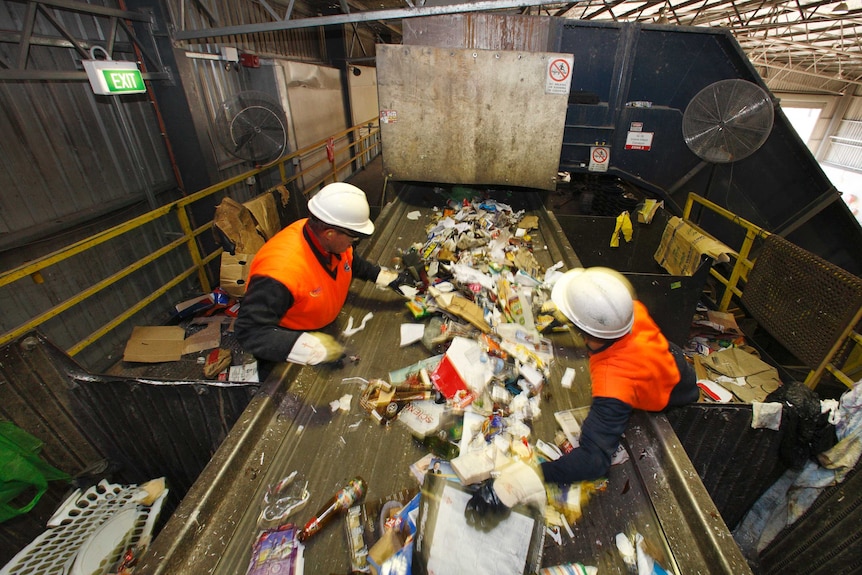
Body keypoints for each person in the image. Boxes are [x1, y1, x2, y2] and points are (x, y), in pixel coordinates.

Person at [466, 266, 699, 526]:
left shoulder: (614, 379)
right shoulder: (628, 311)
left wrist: (518, 481)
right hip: (665, 355)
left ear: (587, 330)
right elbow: (606, 298)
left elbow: (593, 461)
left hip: (675, 391)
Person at [235, 182, 401, 378]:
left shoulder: (325, 239)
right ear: (330, 233)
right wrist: (307, 348)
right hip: (284, 348)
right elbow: (249, 331)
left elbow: (350, 260)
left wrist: (381, 276)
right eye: (353, 237)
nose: (353, 243)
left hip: (322, 329)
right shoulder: (280, 272)